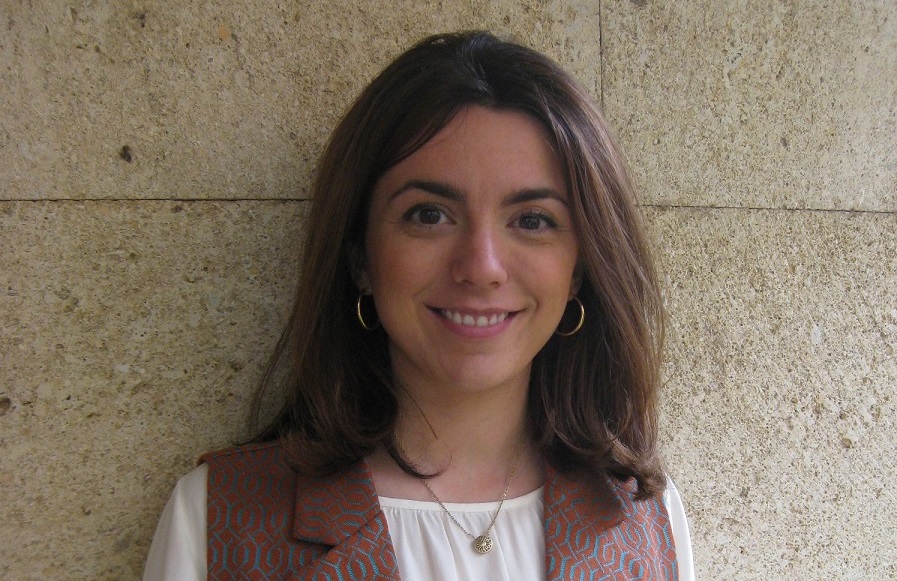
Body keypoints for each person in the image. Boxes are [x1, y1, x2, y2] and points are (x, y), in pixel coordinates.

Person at [144, 30, 694, 580]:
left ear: (578, 270)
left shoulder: (646, 519)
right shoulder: (217, 520)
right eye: (429, 215)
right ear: (359, 256)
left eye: (532, 220)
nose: (481, 266)